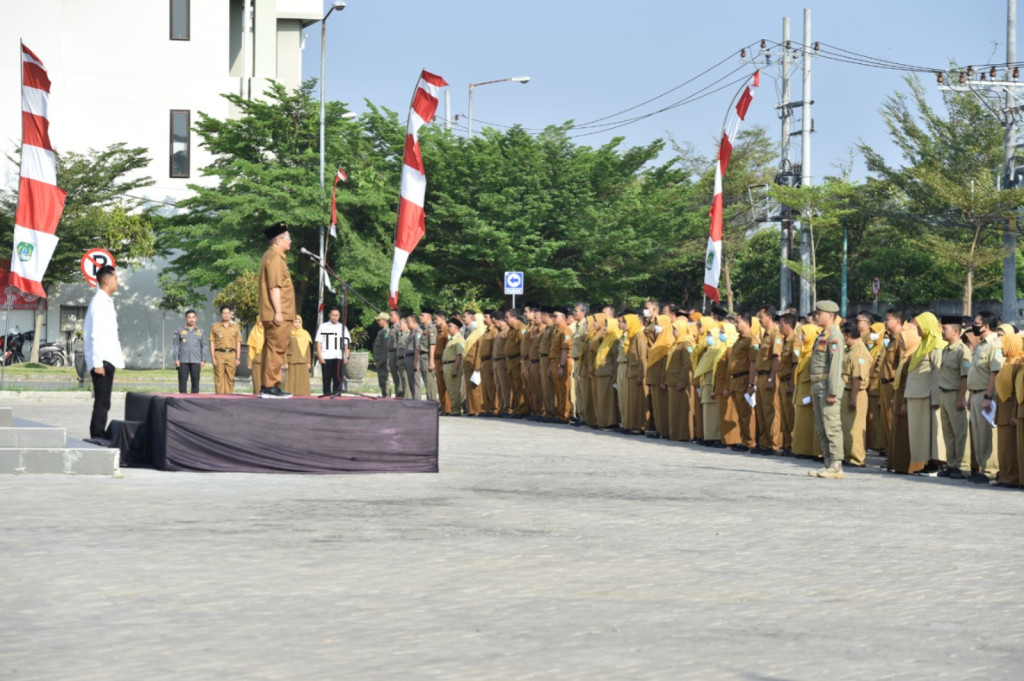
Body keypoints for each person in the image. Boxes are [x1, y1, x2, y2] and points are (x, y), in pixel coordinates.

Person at [83, 265, 125, 438]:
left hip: (108, 358)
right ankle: (97, 435)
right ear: (107, 281)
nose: (118, 281)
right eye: (115, 278)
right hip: (102, 360)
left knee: (104, 401)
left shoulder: (105, 300)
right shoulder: (100, 302)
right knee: (102, 401)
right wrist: (98, 362)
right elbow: (96, 334)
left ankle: (98, 434)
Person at [904, 312, 946, 475]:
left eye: (920, 325)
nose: (918, 329)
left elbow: (938, 374)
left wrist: (936, 398)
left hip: (928, 396)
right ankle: (928, 462)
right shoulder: (924, 344)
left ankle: (935, 464)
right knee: (921, 433)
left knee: (932, 432)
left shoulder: (937, 345)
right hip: (918, 395)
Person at [257, 222, 295, 399]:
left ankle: (266, 386)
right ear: (278, 240)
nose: (290, 241)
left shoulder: (272, 256)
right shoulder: (274, 257)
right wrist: (279, 312)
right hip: (278, 313)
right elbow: (274, 287)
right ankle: (271, 386)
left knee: (271, 349)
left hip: (277, 313)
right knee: (276, 350)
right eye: (288, 238)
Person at [808, 300, 845, 479]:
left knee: (832, 425)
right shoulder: (822, 335)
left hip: (827, 386)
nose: (816, 316)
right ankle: (828, 463)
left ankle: (837, 464)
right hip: (818, 385)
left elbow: (835, 366)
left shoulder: (835, 336)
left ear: (829, 316)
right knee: (822, 426)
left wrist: (832, 391)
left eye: (819, 313)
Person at [966, 311, 1003, 483]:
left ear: (986, 326)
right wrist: (970, 395)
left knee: (987, 434)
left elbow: (994, 373)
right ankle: (981, 467)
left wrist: (988, 396)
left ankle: (990, 470)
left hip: (985, 395)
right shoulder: (981, 344)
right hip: (975, 394)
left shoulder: (994, 344)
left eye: (977, 323)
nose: (974, 325)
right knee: (978, 434)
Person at [937, 315, 971, 479]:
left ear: (956, 331)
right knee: (948, 432)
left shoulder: (962, 351)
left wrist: (960, 397)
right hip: (944, 393)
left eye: (945, 329)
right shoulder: (946, 349)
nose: (942, 331)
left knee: (959, 432)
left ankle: (961, 465)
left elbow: (964, 376)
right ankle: (951, 464)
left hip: (955, 394)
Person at [840, 320, 872, 468]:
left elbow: (858, 378)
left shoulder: (859, 351)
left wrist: (853, 398)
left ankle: (857, 458)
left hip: (855, 393)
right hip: (847, 391)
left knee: (855, 428)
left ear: (847, 335)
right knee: (847, 427)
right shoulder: (850, 349)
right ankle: (848, 455)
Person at [994, 324, 1022, 486]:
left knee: (1011, 448)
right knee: (1003, 449)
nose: (1001, 348)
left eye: (1005, 344)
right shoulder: (1007, 363)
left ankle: (1012, 477)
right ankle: (1004, 476)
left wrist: (1014, 414)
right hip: (1002, 411)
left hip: (1011, 411)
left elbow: (1017, 391)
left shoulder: (1017, 364)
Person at [791, 322, 822, 459]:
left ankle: (810, 451)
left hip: (808, 396)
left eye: (804, 333)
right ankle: (803, 450)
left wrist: (811, 394)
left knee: (809, 425)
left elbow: (815, 376)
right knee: (802, 425)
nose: (802, 336)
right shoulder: (805, 353)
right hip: (801, 394)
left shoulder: (813, 355)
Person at [727, 312, 757, 452]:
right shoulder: (739, 339)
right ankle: (744, 439)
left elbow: (753, 363)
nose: (735, 324)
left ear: (746, 322)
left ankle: (750, 441)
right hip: (735, 379)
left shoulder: (751, 340)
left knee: (746, 412)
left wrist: (751, 384)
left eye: (738, 321)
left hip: (744, 378)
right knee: (740, 412)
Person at [664, 318, 695, 442]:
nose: (673, 332)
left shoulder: (687, 344)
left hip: (679, 381)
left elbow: (686, 364)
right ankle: (675, 433)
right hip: (672, 380)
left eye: (675, 329)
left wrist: (682, 382)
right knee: (674, 410)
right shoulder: (676, 343)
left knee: (681, 409)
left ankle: (683, 435)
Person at [646, 315, 673, 438]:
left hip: (660, 380)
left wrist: (663, 380)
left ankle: (665, 430)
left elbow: (665, 365)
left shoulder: (668, 342)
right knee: (657, 407)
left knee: (662, 407)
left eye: (659, 324)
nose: (656, 327)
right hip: (654, 378)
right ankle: (659, 429)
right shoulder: (659, 341)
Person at [315, 306, 350, 396]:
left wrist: (346, 356)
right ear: (329, 315)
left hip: (339, 356)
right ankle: (326, 396)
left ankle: (337, 395)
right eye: (333, 315)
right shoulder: (323, 326)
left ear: (339, 316)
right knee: (326, 379)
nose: (335, 317)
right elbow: (318, 342)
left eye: (337, 315)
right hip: (326, 356)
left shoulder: (343, 327)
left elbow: (347, 343)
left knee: (338, 378)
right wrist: (319, 356)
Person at [777, 313, 798, 454]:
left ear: (789, 326)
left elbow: (795, 365)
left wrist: (791, 384)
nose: (779, 326)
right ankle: (787, 444)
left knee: (791, 416)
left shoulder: (795, 341)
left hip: (789, 382)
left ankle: (793, 445)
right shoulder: (785, 341)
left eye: (782, 324)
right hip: (782, 381)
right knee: (784, 416)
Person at [210, 305, 242, 394]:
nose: (226, 315)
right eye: (224, 313)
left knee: (230, 377)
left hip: (231, 354)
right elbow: (212, 342)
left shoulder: (235, 327)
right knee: (219, 377)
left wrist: (238, 358)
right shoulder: (215, 327)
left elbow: (238, 343)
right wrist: (213, 357)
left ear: (230, 314)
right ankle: (219, 398)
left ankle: (228, 397)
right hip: (219, 354)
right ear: (221, 314)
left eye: (228, 313)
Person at [548, 308, 573, 423]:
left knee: (563, 389)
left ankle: (565, 414)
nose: (553, 318)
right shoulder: (556, 330)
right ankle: (559, 413)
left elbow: (565, 350)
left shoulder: (565, 331)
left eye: (555, 316)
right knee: (558, 390)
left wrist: (561, 366)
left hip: (561, 362)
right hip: (554, 361)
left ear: (563, 317)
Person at [173, 309, 205, 393]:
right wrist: (176, 359)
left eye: (193, 317)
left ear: (196, 318)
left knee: (195, 382)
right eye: (189, 317)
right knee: (182, 382)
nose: (191, 319)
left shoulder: (200, 331)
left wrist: (203, 359)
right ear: (186, 319)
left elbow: (203, 346)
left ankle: (194, 401)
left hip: (196, 360)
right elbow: (176, 345)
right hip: (183, 360)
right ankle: (181, 401)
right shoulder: (179, 330)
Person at [441, 316, 466, 415]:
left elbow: (459, 356)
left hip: (453, 366)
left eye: (450, 326)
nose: (448, 328)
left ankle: (456, 410)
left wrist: (455, 368)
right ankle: (453, 408)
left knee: (454, 389)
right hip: (448, 365)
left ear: (456, 328)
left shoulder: (459, 340)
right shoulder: (451, 339)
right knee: (450, 389)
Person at [283, 316, 312, 397]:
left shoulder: (305, 334)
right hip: (291, 360)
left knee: (302, 380)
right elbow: (284, 349)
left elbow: (308, 350)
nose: (297, 324)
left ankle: (303, 396)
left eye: (299, 322)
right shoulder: (288, 333)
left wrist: (309, 362)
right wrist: (284, 362)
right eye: (295, 322)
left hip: (303, 361)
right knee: (291, 380)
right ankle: (290, 395)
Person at [418, 310, 439, 403]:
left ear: (429, 317)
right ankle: (430, 400)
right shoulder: (424, 329)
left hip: (427, 357)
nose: (420, 317)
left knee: (430, 381)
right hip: (423, 357)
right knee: (426, 380)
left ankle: (433, 401)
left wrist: (431, 361)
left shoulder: (431, 329)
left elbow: (432, 345)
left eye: (422, 315)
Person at [434, 311, 451, 413]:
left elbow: (447, 348)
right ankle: (443, 407)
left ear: (443, 318)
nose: (435, 320)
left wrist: (444, 362)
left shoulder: (446, 331)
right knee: (440, 385)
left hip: (442, 359)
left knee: (445, 386)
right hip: (437, 360)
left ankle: (448, 408)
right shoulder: (439, 331)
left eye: (437, 318)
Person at [371, 311, 390, 397]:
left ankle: (386, 395)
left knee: (384, 378)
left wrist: (382, 360)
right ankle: (384, 394)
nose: (378, 322)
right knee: (381, 378)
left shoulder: (386, 331)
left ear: (384, 320)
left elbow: (385, 347)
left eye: (379, 320)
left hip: (382, 360)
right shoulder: (382, 331)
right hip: (379, 359)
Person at [387, 309, 403, 398]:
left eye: (391, 315)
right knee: (395, 377)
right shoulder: (393, 327)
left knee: (398, 377)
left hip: (395, 353)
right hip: (391, 353)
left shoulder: (398, 327)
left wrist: (397, 358)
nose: (390, 317)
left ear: (397, 316)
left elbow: (399, 343)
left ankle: (400, 394)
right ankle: (398, 394)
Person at [247, 320, 265, 395]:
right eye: (260, 322)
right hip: (257, 360)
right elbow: (250, 349)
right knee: (257, 382)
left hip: (268, 361)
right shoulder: (253, 333)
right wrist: (249, 362)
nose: (262, 324)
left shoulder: (269, 333)